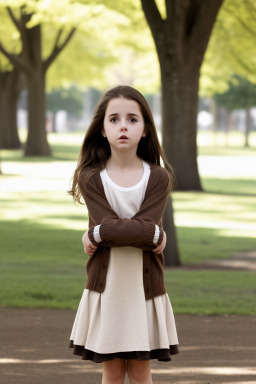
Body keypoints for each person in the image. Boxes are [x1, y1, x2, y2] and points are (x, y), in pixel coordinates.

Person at [68, 85, 179, 384]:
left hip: (145, 288)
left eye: (132, 119)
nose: (123, 127)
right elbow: (144, 232)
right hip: (108, 289)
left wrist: (97, 233)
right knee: (113, 370)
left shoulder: (158, 177)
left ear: (145, 129)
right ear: (102, 129)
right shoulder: (91, 177)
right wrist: (152, 234)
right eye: (114, 119)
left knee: (141, 370)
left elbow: (137, 230)